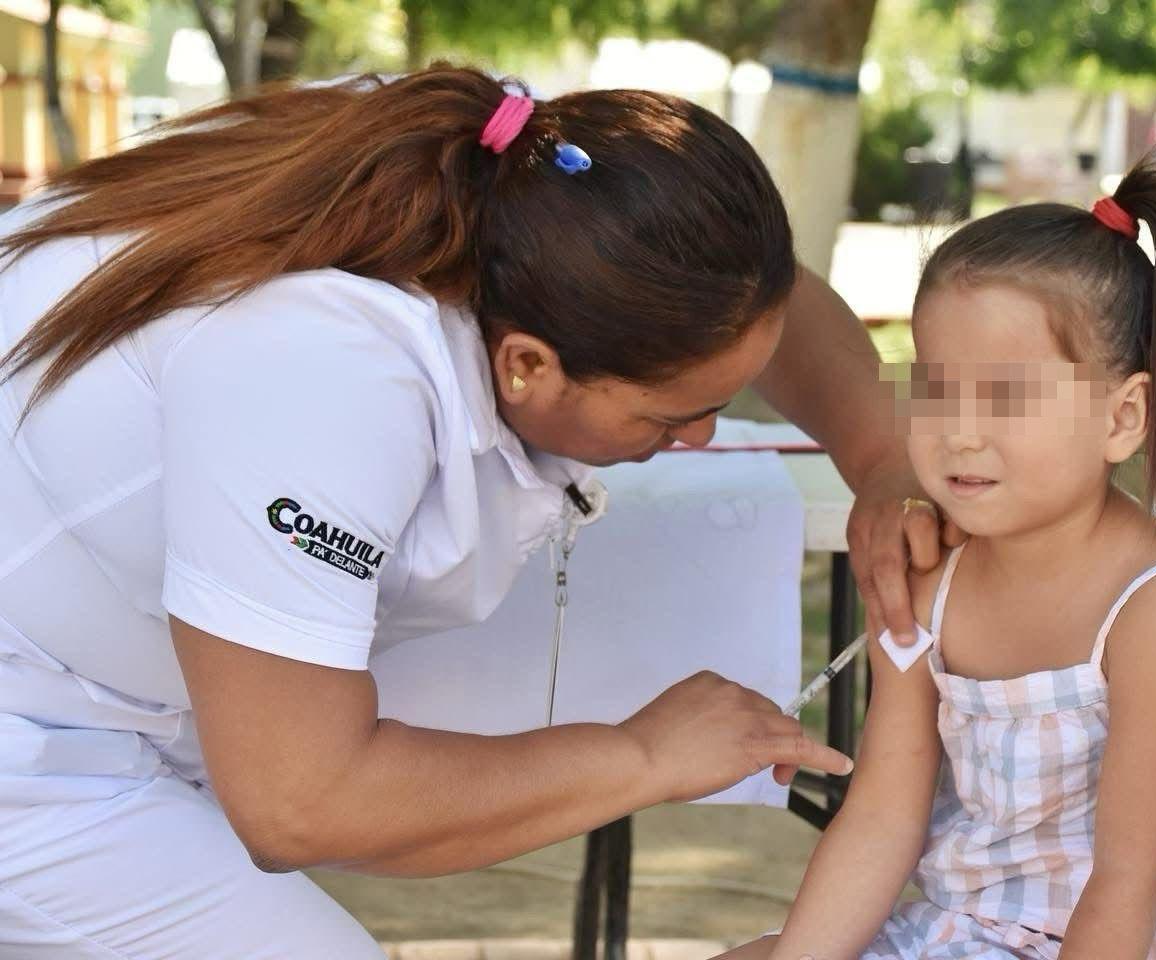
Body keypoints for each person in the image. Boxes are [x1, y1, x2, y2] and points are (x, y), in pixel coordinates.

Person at [0, 65, 955, 958]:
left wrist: (885, 458)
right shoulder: (328, 374)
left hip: (122, 664)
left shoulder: (517, 186)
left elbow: (759, 301)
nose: (702, 436)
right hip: (34, 734)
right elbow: (300, 804)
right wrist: (641, 756)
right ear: (527, 363)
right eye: (669, 416)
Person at [721, 158, 1156, 959]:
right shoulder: (929, 579)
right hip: (978, 930)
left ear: (1122, 417)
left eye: (1005, 396)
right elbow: (882, 820)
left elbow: (1128, 889)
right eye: (936, 387)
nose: (961, 433)